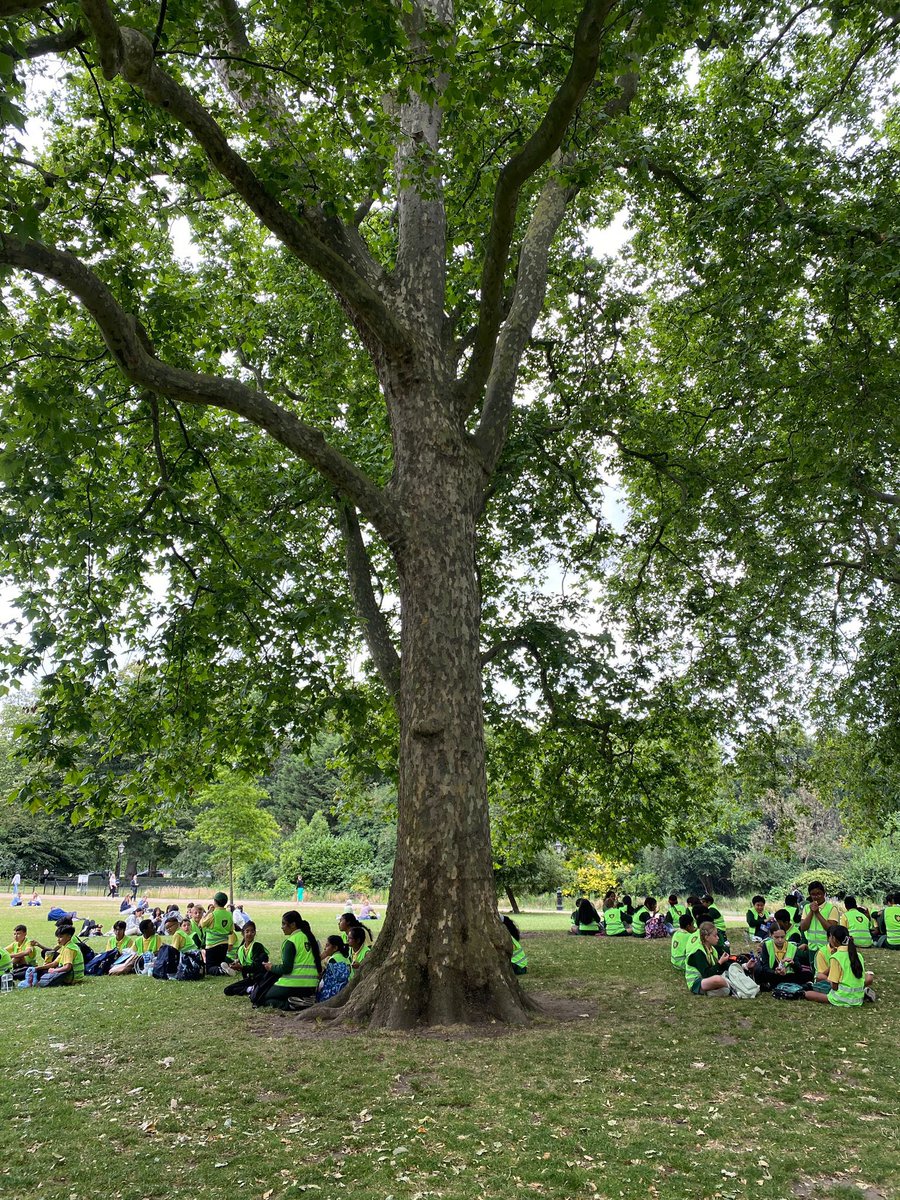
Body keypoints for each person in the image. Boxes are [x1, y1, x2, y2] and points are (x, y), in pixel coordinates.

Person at [252, 911, 321, 1009]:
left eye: (284, 924)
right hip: (311, 985)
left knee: (263, 998)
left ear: (293, 925)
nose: (282, 927)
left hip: (294, 983)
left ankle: (293, 1004)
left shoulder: (291, 942)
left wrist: (271, 967)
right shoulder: (310, 938)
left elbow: (286, 968)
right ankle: (300, 1000)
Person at [804, 926, 874, 1005]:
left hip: (841, 998)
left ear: (833, 939)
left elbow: (834, 987)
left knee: (808, 994)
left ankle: (802, 993)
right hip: (858, 999)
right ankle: (864, 992)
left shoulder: (836, 957)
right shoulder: (858, 955)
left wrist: (830, 981)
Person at [684, 921, 731, 997]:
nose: (718, 938)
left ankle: (726, 987)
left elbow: (720, 966)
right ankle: (730, 986)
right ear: (706, 937)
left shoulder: (712, 949)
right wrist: (720, 962)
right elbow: (707, 974)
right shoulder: (698, 952)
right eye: (715, 935)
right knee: (717, 979)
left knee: (727, 974)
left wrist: (742, 966)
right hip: (697, 983)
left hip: (707, 979)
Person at [799, 881, 841, 962]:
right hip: (812, 948)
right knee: (814, 968)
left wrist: (817, 913)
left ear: (824, 893)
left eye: (819, 894)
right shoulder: (807, 908)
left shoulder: (831, 908)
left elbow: (831, 929)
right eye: (813, 894)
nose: (816, 897)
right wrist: (811, 912)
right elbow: (803, 927)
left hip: (827, 948)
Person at [223, 921, 268, 996]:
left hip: (260, 978)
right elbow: (242, 963)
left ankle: (253, 988)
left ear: (255, 933)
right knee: (227, 990)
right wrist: (235, 965)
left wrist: (241, 967)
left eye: (252, 931)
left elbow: (257, 967)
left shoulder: (257, 946)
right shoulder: (240, 949)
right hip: (249, 978)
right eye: (247, 931)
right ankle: (250, 989)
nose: (250, 934)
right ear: (242, 933)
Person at [201, 892, 235, 974]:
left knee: (209, 968)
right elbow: (231, 930)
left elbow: (201, 924)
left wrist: (208, 912)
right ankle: (227, 967)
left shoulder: (213, 915)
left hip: (212, 945)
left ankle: (222, 970)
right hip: (224, 945)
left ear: (215, 902)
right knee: (220, 963)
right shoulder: (229, 914)